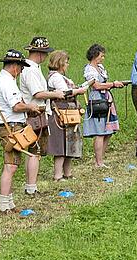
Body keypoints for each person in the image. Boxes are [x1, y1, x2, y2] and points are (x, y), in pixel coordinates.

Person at [0, 49, 43, 213]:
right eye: (21, 67)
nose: (21, 71)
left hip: (13, 125)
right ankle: (3, 204)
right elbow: (16, 106)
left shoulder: (5, 80)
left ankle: (9, 203)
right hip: (11, 127)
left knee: (13, 164)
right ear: (14, 66)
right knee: (10, 166)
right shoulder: (6, 82)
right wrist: (30, 106)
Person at [19, 37, 66, 195]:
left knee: (34, 152)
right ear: (39, 53)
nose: (46, 57)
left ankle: (31, 185)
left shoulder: (33, 68)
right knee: (35, 152)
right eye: (45, 53)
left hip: (37, 113)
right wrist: (55, 94)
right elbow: (37, 93)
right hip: (35, 114)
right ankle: (31, 187)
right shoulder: (31, 70)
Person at [46, 51, 87, 181]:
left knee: (70, 144)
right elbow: (64, 93)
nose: (68, 65)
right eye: (66, 62)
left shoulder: (62, 77)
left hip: (70, 113)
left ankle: (67, 173)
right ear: (60, 62)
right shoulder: (56, 77)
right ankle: (58, 175)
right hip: (61, 114)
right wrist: (79, 91)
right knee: (60, 144)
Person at [83, 44, 122, 168]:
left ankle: (101, 159)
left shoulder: (100, 67)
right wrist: (113, 84)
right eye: (101, 55)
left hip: (105, 98)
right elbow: (96, 85)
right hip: (97, 99)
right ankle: (98, 161)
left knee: (108, 131)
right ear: (95, 56)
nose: (103, 58)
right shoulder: (90, 69)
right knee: (100, 131)